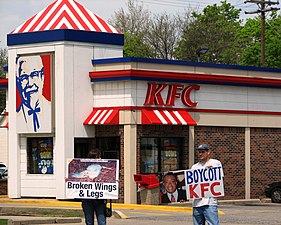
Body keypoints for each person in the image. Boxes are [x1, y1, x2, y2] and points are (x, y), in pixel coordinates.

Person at [16, 55, 51, 132]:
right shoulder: (16, 118)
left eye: (34, 74)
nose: (30, 83)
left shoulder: (53, 112)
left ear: (42, 77)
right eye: (24, 77)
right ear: (18, 82)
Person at [191, 144, 223, 225]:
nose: (200, 154)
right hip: (197, 203)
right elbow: (190, 185)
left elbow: (219, 179)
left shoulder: (215, 163)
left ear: (208, 152)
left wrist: (210, 172)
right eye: (199, 152)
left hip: (210, 203)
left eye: (203, 152)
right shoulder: (194, 167)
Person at [82, 149, 107, 225]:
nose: (99, 159)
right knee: (89, 221)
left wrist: (114, 181)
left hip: (100, 200)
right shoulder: (84, 168)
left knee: (102, 221)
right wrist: (68, 179)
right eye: (97, 157)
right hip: (87, 200)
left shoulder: (104, 169)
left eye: (100, 157)